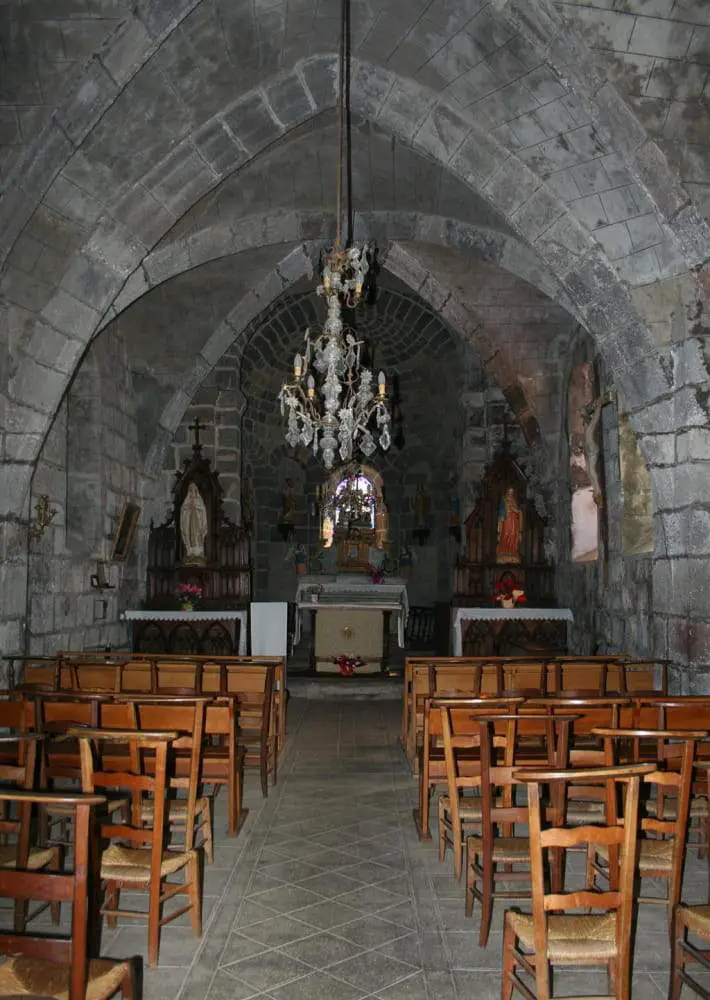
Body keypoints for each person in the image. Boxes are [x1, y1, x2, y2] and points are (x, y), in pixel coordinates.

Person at [180, 482, 208, 564]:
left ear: (196, 492)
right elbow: (183, 511)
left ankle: (198, 554)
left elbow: (203, 511)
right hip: (188, 523)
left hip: (198, 523)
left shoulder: (199, 501)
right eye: (191, 490)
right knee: (189, 535)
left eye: (194, 490)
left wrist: (196, 507)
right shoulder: (186, 501)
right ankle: (190, 553)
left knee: (197, 536)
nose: (192, 492)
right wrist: (188, 508)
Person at [496, 487, 523, 564]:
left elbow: (517, 510)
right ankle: (503, 551)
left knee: (513, 536)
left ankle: (512, 552)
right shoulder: (504, 500)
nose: (511, 494)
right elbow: (501, 512)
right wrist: (499, 525)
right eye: (510, 492)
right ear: (507, 492)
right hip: (506, 521)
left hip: (514, 522)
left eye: (512, 492)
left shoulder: (514, 501)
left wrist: (518, 511)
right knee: (505, 535)